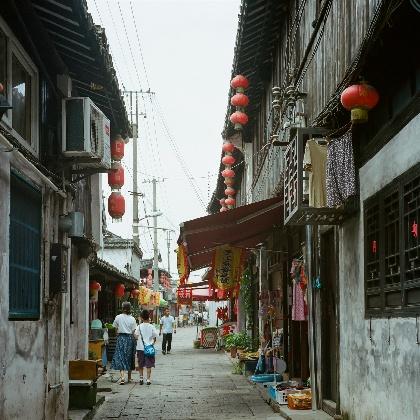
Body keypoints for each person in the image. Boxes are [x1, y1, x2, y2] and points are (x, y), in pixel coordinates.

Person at [111, 301, 137, 385]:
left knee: (120, 356)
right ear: (129, 309)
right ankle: (129, 377)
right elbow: (134, 331)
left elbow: (115, 328)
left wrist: (118, 334)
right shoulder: (132, 318)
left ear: (123, 308)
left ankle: (122, 377)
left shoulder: (118, 317)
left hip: (121, 338)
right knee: (129, 357)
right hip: (129, 339)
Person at [135, 309, 158, 385]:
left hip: (140, 348)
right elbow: (155, 337)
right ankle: (148, 379)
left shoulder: (139, 327)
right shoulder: (152, 326)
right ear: (149, 317)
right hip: (149, 348)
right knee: (149, 364)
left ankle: (141, 378)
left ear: (141, 318)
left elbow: (136, 336)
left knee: (140, 363)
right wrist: (151, 344)